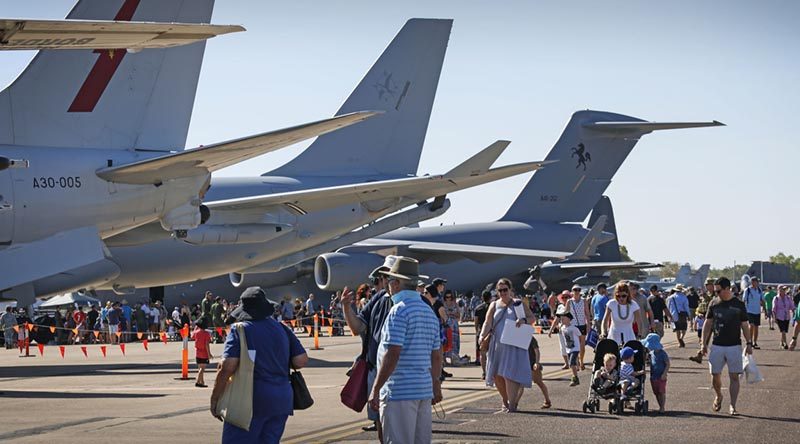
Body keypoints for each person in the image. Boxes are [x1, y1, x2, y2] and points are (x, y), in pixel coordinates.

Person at [210, 287, 307, 443]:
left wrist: (215, 399)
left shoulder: (239, 330)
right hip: (281, 400)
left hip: (249, 400)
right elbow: (300, 360)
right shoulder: (282, 328)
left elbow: (227, 366)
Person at [368, 257, 442, 444]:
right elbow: (436, 356)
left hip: (399, 391)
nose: (388, 285)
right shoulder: (428, 311)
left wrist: (376, 389)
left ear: (398, 283)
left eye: (390, 280)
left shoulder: (398, 311)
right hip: (422, 389)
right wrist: (435, 383)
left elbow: (392, 354)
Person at [340, 256, 397, 437]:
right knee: (380, 419)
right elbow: (357, 328)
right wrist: (346, 307)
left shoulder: (409, 302)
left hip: (398, 371)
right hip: (375, 369)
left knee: (400, 422)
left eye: (388, 275)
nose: (385, 280)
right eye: (384, 276)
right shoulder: (379, 298)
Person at [700, 277, 753, 416]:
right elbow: (708, 323)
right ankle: (719, 395)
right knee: (714, 374)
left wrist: (749, 343)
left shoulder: (739, 304)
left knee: (734, 376)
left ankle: (733, 405)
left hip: (734, 345)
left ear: (727, 288)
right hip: (717, 345)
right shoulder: (714, 303)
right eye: (715, 291)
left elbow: (745, 325)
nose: (716, 293)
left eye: (718, 291)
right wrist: (703, 343)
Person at [480, 278, 534, 412]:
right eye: (500, 290)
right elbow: (488, 322)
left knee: (509, 375)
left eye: (505, 289)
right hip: (497, 344)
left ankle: (512, 404)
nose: (503, 292)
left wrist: (523, 320)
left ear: (510, 290)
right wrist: (481, 336)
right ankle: (506, 400)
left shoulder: (518, 304)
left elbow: (532, 318)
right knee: (497, 375)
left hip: (513, 344)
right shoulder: (494, 305)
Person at [564, 285, 590, 370]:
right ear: (572, 291)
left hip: (582, 324)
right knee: (574, 345)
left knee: (582, 345)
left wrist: (588, 324)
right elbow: (566, 313)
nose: (577, 291)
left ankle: (581, 361)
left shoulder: (584, 301)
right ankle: (576, 361)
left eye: (578, 290)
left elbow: (587, 313)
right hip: (572, 325)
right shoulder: (569, 302)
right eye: (575, 290)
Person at [643, 333, 670, 413]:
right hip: (653, 376)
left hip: (661, 376)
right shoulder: (651, 354)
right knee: (656, 392)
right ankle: (660, 405)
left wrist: (664, 373)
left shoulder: (663, 354)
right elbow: (649, 362)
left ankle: (662, 407)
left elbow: (667, 363)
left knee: (661, 391)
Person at [557, 307, 582, 387]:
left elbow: (580, 337)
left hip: (575, 348)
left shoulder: (574, 328)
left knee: (571, 363)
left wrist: (580, 346)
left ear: (569, 319)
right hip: (568, 349)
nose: (561, 321)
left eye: (563, 319)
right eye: (561, 319)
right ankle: (576, 367)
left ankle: (575, 378)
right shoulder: (562, 328)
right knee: (572, 363)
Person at [527, 333, 552, 408]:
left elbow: (537, 351)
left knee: (539, 382)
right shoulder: (517, 338)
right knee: (519, 385)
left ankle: (547, 400)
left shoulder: (530, 338)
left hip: (532, 364)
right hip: (523, 365)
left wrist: (536, 363)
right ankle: (514, 403)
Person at [473, 290, 492, 377]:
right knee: (492, 353)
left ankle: (484, 372)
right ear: (490, 297)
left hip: (481, 332)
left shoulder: (478, 308)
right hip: (491, 331)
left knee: (482, 353)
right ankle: (491, 371)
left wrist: (477, 331)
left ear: (482, 298)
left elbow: (476, 322)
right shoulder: (493, 307)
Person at [743, 277, 764, 349]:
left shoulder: (759, 290)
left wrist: (765, 310)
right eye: (754, 282)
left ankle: (755, 342)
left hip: (757, 311)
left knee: (756, 327)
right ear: (751, 282)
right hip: (749, 310)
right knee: (751, 325)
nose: (755, 283)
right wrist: (743, 311)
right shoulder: (747, 290)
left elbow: (762, 300)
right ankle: (750, 341)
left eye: (756, 282)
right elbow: (744, 301)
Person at [442, 290, 461, 364]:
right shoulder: (443, 304)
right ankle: (444, 359)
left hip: (454, 325)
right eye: (447, 297)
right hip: (446, 325)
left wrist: (452, 314)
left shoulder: (455, 304)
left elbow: (459, 315)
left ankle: (454, 358)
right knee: (446, 341)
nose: (448, 298)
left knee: (454, 342)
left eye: (450, 297)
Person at [193, 317, 213, 387]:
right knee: (202, 369)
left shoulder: (196, 332)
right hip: (204, 353)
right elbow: (207, 344)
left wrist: (196, 328)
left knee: (199, 368)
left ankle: (202, 381)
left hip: (198, 352)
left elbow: (192, 336)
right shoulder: (206, 334)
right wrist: (209, 354)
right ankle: (198, 381)